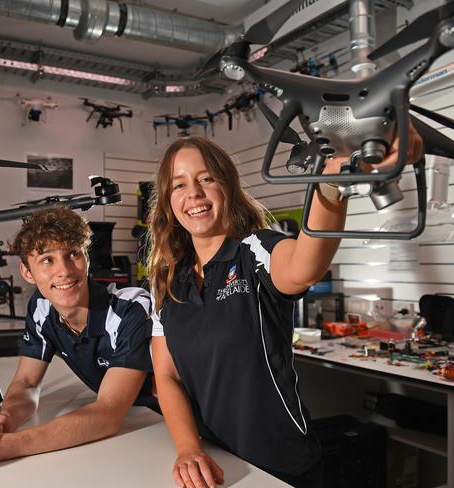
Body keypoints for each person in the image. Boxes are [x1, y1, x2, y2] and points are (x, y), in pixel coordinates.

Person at [147, 133, 423, 488]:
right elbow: (166, 377)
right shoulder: (166, 280)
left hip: (279, 463)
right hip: (212, 463)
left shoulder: (255, 250)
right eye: (179, 185)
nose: (194, 194)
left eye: (206, 179)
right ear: (169, 203)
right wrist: (188, 448)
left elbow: (304, 266)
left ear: (227, 187)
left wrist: (330, 184)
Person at [0, 207, 158, 473]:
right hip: (135, 425)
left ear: (86, 258)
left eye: (73, 254)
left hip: (168, 422)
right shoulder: (41, 306)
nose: (63, 271)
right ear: (28, 272)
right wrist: (3, 421)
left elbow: (108, 414)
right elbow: (27, 383)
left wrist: (3, 446)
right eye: (47, 260)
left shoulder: (130, 308)